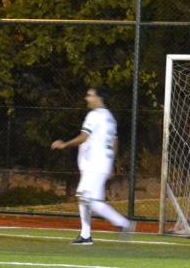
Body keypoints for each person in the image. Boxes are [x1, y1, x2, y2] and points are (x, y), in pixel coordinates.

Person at [51, 87, 134, 244]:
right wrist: (111, 163)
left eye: (90, 95)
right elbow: (114, 141)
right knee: (86, 198)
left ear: (99, 98)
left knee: (88, 199)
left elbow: (84, 137)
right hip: (101, 164)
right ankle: (85, 235)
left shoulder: (94, 115)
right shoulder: (110, 118)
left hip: (95, 164)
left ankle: (123, 223)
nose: (87, 98)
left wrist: (64, 144)